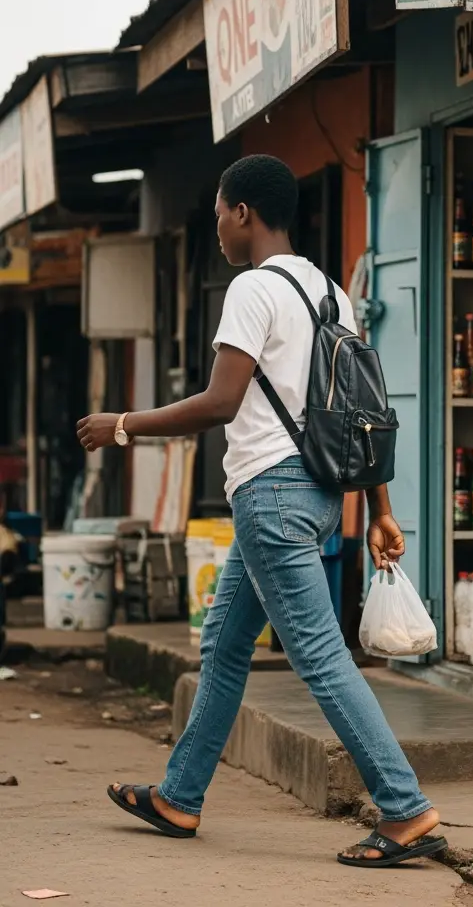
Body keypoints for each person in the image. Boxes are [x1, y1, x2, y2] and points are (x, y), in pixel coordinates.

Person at [77, 154, 445, 868]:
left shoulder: (252, 289)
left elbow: (220, 401)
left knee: (320, 658)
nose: (216, 225)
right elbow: (364, 409)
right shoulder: (329, 291)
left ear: (242, 212)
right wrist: (380, 509)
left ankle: (405, 810)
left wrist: (122, 423)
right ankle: (180, 797)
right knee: (223, 646)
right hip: (310, 494)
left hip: (272, 494)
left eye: (219, 211)